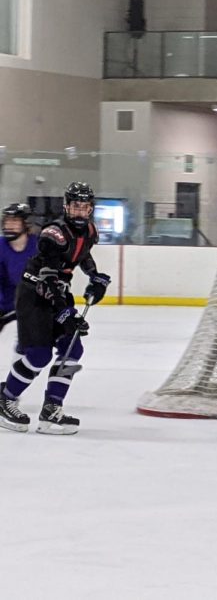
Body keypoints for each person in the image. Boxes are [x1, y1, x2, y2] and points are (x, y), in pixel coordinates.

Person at [0, 182, 111, 435]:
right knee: (39, 355)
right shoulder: (53, 234)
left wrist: (95, 277)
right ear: (66, 206)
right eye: (75, 206)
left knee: (72, 347)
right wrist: (64, 312)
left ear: (91, 209)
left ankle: (51, 409)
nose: (79, 211)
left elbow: (82, 255)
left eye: (84, 207)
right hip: (34, 295)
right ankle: (5, 399)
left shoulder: (91, 231)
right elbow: (47, 279)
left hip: (57, 292)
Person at [0, 203, 39, 333]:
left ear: (26, 223)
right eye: (7, 221)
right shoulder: (1, 246)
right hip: (6, 301)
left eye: (15, 221)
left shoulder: (39, 246)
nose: (9, 225)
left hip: (33, 303)